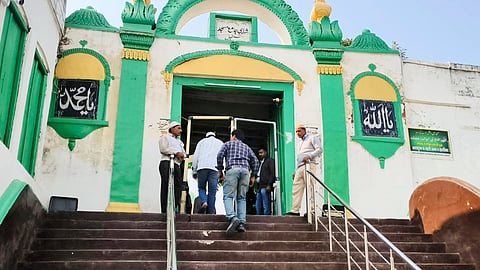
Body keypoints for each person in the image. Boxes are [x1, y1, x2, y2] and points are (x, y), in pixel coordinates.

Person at [216, 129, 259, 235]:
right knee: (242, 197)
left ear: (234, 136)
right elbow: (255, 160)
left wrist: (220, 170)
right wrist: (253, 175)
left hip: (232, 169)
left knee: (228, 196)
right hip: (245, 171)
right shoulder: (246, 147)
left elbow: (219, 156)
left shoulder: (228, 144)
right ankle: (241, 223)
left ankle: (232, 217)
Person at [287, 124, 323, 216]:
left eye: (299, 131)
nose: (297, 133)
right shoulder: (300, 143)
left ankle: (311, 211)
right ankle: (295, 210)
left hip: (309, 164)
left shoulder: (312, 138)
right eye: (296, 131)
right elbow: (300, 157)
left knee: (310, 187)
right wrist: (296, 170)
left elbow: (319, 149)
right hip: (300, 167)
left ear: (304, 130)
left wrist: (309, 156)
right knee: (296, 188)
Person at [192, 131, 223, 214]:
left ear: (206, 136)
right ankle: (211, 212)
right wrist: (222, 172)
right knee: (212, 192)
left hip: (202, 168)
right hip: (214, 169)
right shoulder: (220, 143)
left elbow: (195, 157)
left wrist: (194, 170)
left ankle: (204, 202)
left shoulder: (201, 142)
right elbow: (222, 157)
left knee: (201, 187)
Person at [158, 121, 186, 213]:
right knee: (166, 184)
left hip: (177, 164)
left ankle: (174, 207)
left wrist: (182, 156)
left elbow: (183, 152)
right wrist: (176, 153)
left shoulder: (180, 142)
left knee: (178, 185)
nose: (180, 130)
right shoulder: (165, 137)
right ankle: (164, 209)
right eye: (178, 128)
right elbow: (163, 149)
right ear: (172, 128)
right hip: (166, 162)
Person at [255, 148, 275, 215]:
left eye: (261, 152)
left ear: (266, 152)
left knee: (265, 203)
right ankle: (258, 217)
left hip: (265, 185)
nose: (260, 154)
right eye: (259, 153)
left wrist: (269, 184)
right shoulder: (260, 162)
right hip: (259, 186)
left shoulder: (269, 161)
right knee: (258, 204)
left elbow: (272, 173)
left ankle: (266, 217)